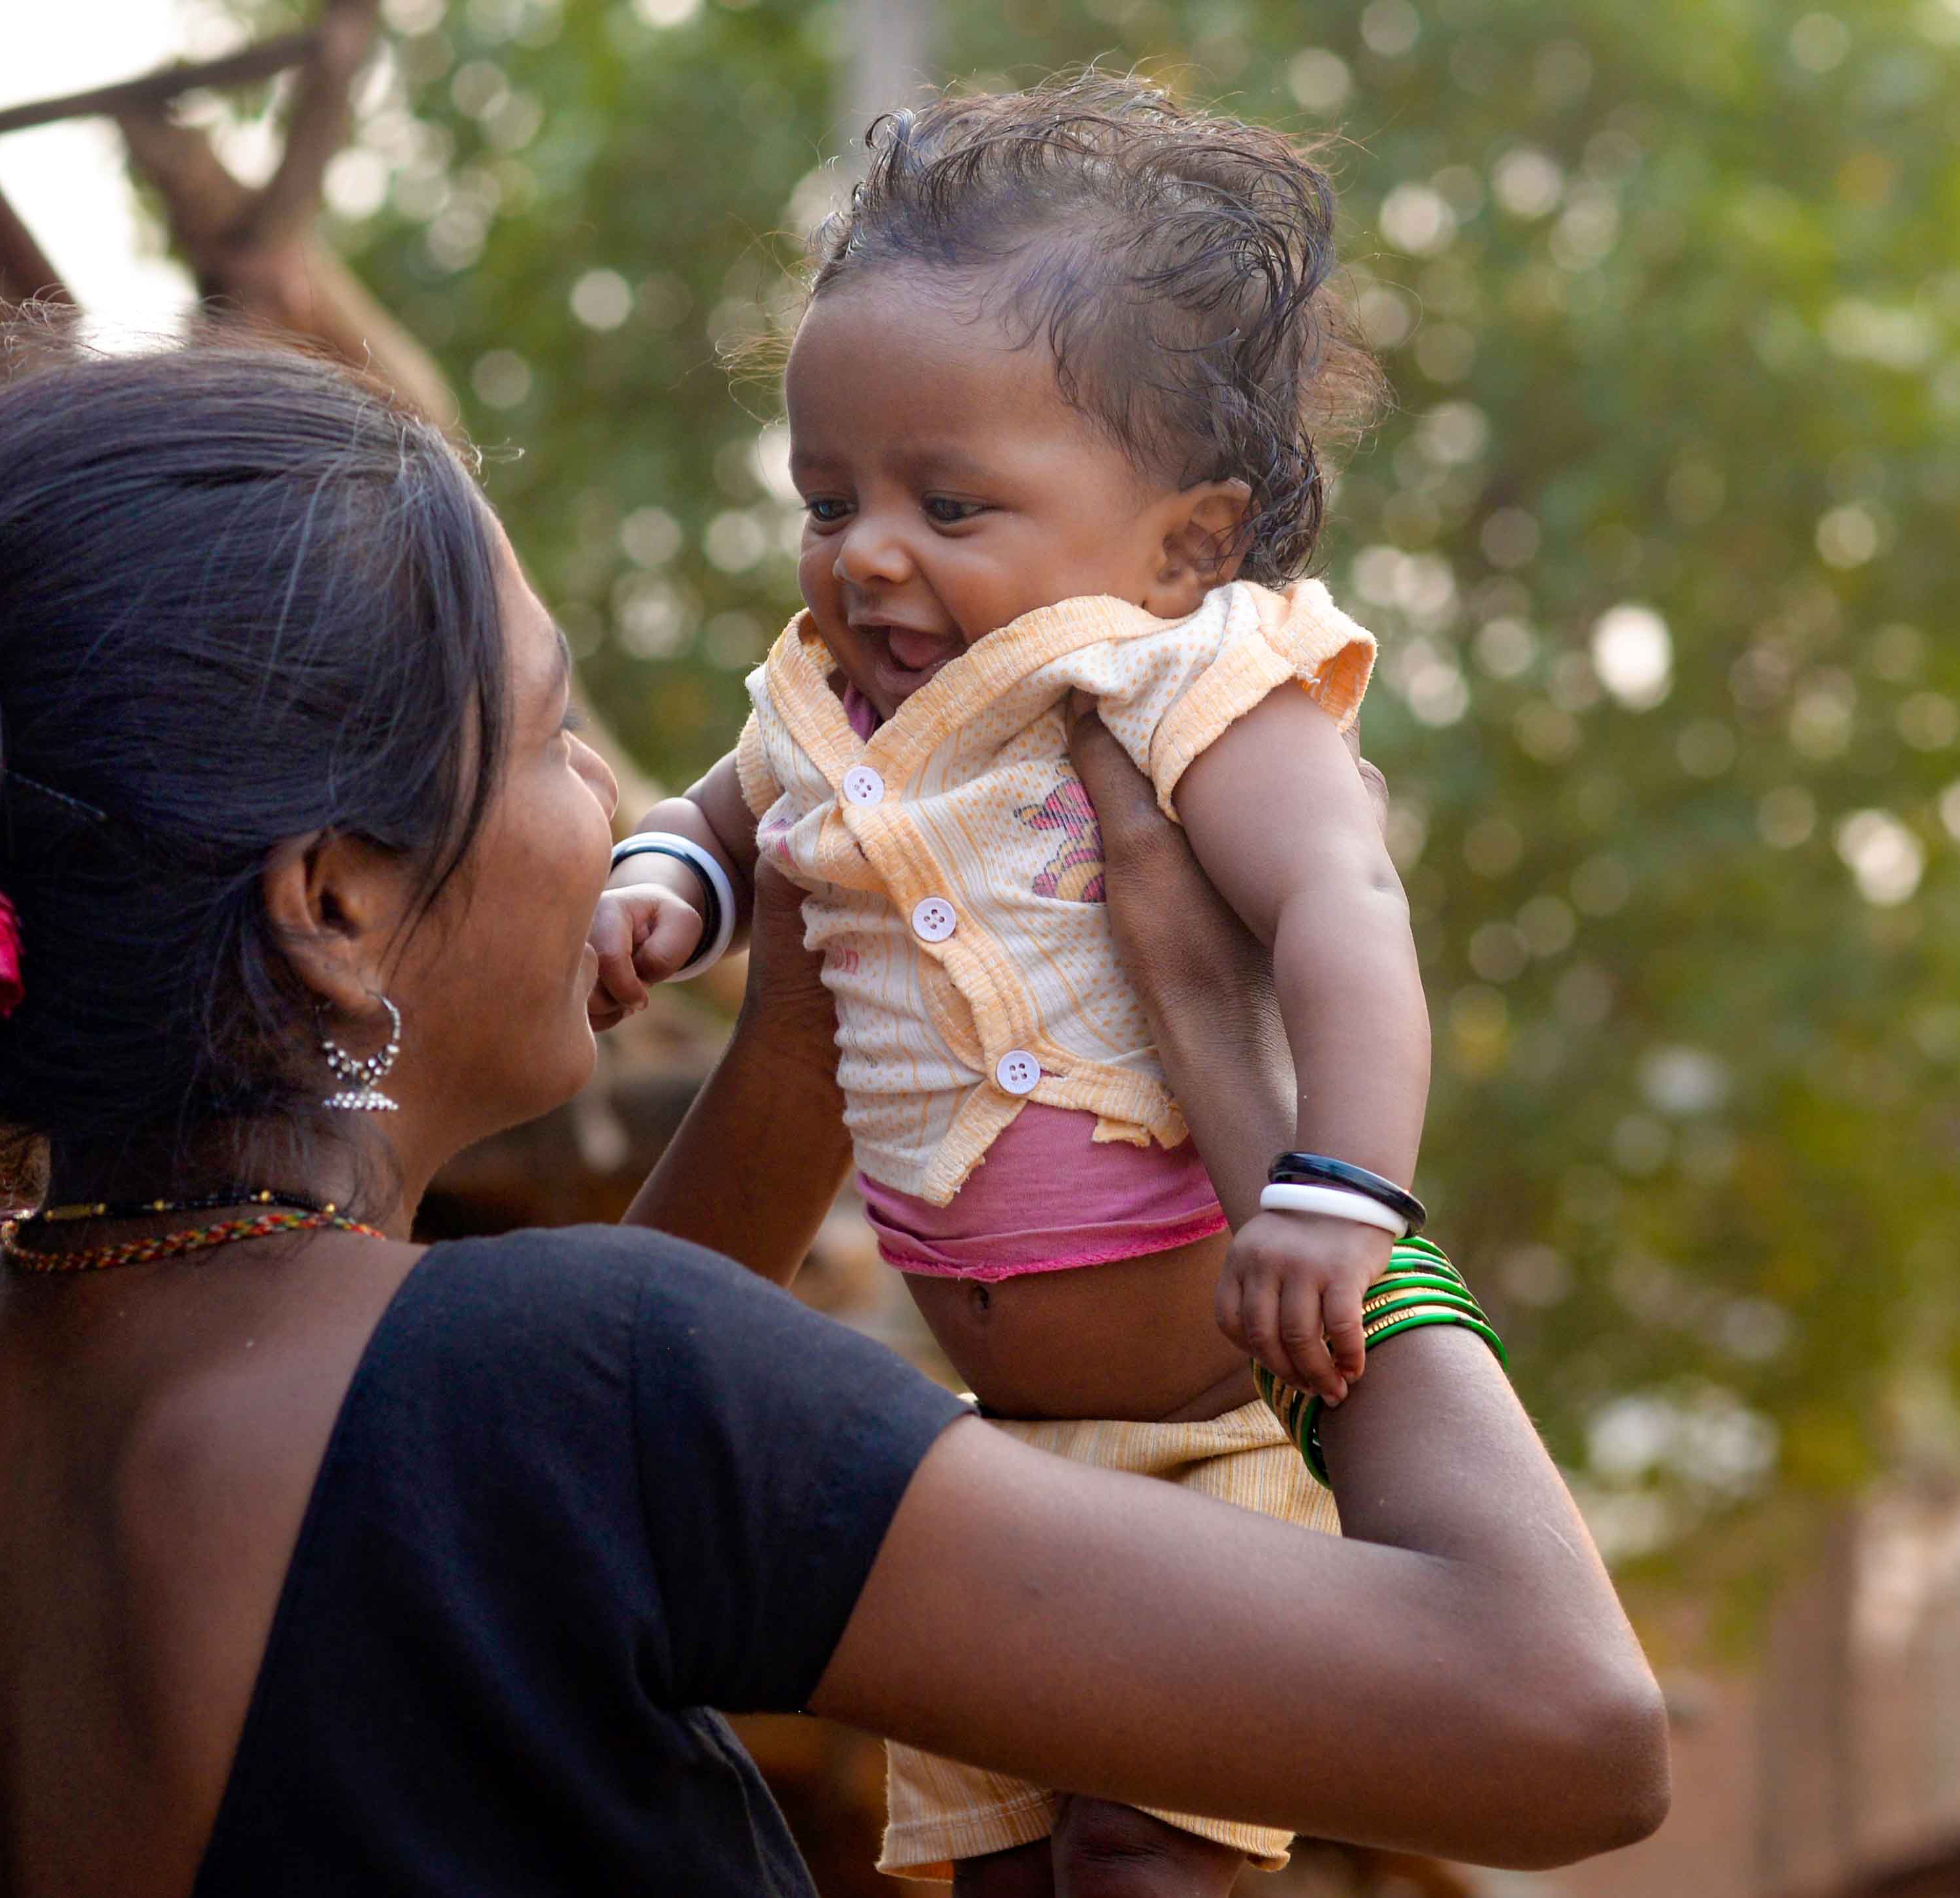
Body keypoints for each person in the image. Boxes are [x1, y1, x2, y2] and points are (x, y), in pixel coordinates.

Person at [0, 333, 1663, 1898]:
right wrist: (1261, 1099)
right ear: (333, 903)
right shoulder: (574, 1395)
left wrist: (834, 996)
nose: (613, 807)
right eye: (555, 734)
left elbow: (512, 1496)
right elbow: (1560, 1725)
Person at [588, 78, 1428, 1894]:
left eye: (949, 503)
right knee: (988, 1863)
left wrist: (1338, 1190)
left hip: (1214, 1432)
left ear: (1185, 543)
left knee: (1143, 1857)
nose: (867, 551)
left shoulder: (1193, 679)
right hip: (989, 1454)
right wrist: (663, 887)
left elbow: (1343, 903)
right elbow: (717, 813)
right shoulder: (830, 702)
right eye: (828, 498)